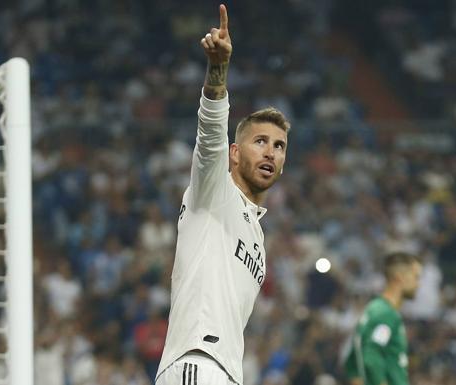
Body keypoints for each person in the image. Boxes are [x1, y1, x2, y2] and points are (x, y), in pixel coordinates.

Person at [155, 4, 290, 385]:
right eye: (260, 141)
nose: (270, 152)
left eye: (279, 146)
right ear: (234, 153)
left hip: (224, 371)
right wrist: (218, 70)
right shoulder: (213, 192)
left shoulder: (258, 237)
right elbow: (210, 132)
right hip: (196, 364)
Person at [343, 252, 423, 385]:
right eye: (416, 277)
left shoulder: (375, 309)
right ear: (400, 277)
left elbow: (352, 363)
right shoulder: (385, 313)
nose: (418, 284)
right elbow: (371, 356)